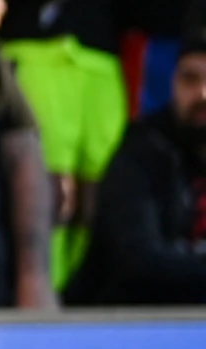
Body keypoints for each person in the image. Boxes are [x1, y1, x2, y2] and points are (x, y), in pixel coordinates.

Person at [70, 49, 206, 306]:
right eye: (190, 79)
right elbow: (139, 262)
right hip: (126, 328)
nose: (202, 93)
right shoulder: (140, 152)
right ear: (172, 83)